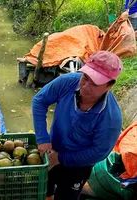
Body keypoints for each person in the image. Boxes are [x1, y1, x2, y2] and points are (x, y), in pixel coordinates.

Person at [32, 51, 123, 200]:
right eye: (85, 77)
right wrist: (43, 138)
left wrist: (61, 158)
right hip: (51, 149)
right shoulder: (67, 82)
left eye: (95, 83)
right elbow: (39, 101)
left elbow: (99, 152)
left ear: (109, 86)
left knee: (67, 195)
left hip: (78, 164)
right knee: (43, 188)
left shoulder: (111, 119)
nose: (86, 86)